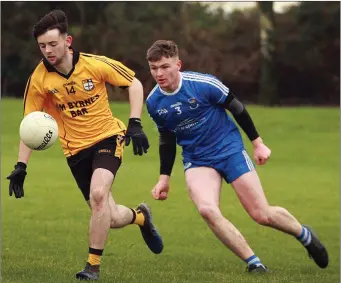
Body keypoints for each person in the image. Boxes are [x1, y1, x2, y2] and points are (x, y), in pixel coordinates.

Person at [145, 39, 328, 272]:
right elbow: (167, 138)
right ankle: (254, 263)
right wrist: (164, 178)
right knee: (207, 210)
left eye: (164, 66)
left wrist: (258, 144)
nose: (159, 73)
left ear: (178, 64)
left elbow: (237, 108)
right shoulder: (154, 102)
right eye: (154, 68)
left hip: (229, 149)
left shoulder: (204, 84)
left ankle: (305, 235)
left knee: (261, 214)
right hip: (197, 159)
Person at [6, 10, 163, 281]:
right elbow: (30, 125)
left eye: (53, 44)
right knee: (109, 217)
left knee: (99, 194)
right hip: (74, 151)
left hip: (107, 137)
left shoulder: (94, 64)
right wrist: (21, 165)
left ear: (68, 40)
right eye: (42, 46)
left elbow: (134, 84)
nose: (48, 51)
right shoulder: (39, 79)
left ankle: (92, 267)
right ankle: (140, 217)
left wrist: (135, 122)